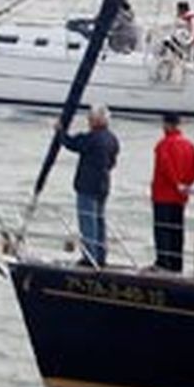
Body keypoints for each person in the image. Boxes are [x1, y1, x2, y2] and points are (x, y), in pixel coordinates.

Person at [59, 104, 120, 266]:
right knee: (99, 222)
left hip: (88, 185)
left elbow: (73, 144)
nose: (88, 121)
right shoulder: (112, 139)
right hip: (103, 185)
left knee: (88, 222)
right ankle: (100, 255)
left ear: (96, 120)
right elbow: (112, 162)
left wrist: (60, 133)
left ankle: (89, 257)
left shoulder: (93, 138)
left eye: (90, 118)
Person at [150, 112, 194, 272]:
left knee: (162, 229)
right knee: (177, 230)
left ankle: (163, 262)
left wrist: (176, 183)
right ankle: (177, 265)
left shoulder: (163, 145)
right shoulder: (190, 146)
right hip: (180, 197)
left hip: (163, 194)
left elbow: (164, 167)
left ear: (167, 125)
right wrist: (185, 185)